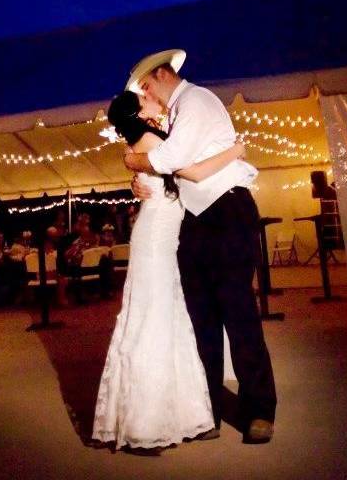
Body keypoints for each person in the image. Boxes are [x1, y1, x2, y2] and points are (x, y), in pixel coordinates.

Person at [122, 49, 277, 444]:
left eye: (146, 87)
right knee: (200, 321)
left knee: (239, 313)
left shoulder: (197, 100)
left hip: (227, 212)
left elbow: (173, 158)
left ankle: (259, 410)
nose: (146, 96)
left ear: (161, 76)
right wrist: (141, 181)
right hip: (193, 223)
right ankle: (205, 411)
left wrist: (134, 163)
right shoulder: (173, 116)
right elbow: (170, 170)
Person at [92, 87, 248, 451]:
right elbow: (191, 171)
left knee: (165, 316)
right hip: (156, 240)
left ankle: (171, 414)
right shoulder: (151, 139)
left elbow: (153, 171)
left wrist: (135, 179)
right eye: (144, 97)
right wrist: (236, 151)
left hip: (162, 237)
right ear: (138, 111)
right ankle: (146, 422)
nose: (151, 96)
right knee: (155, 318)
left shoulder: (144, 139)